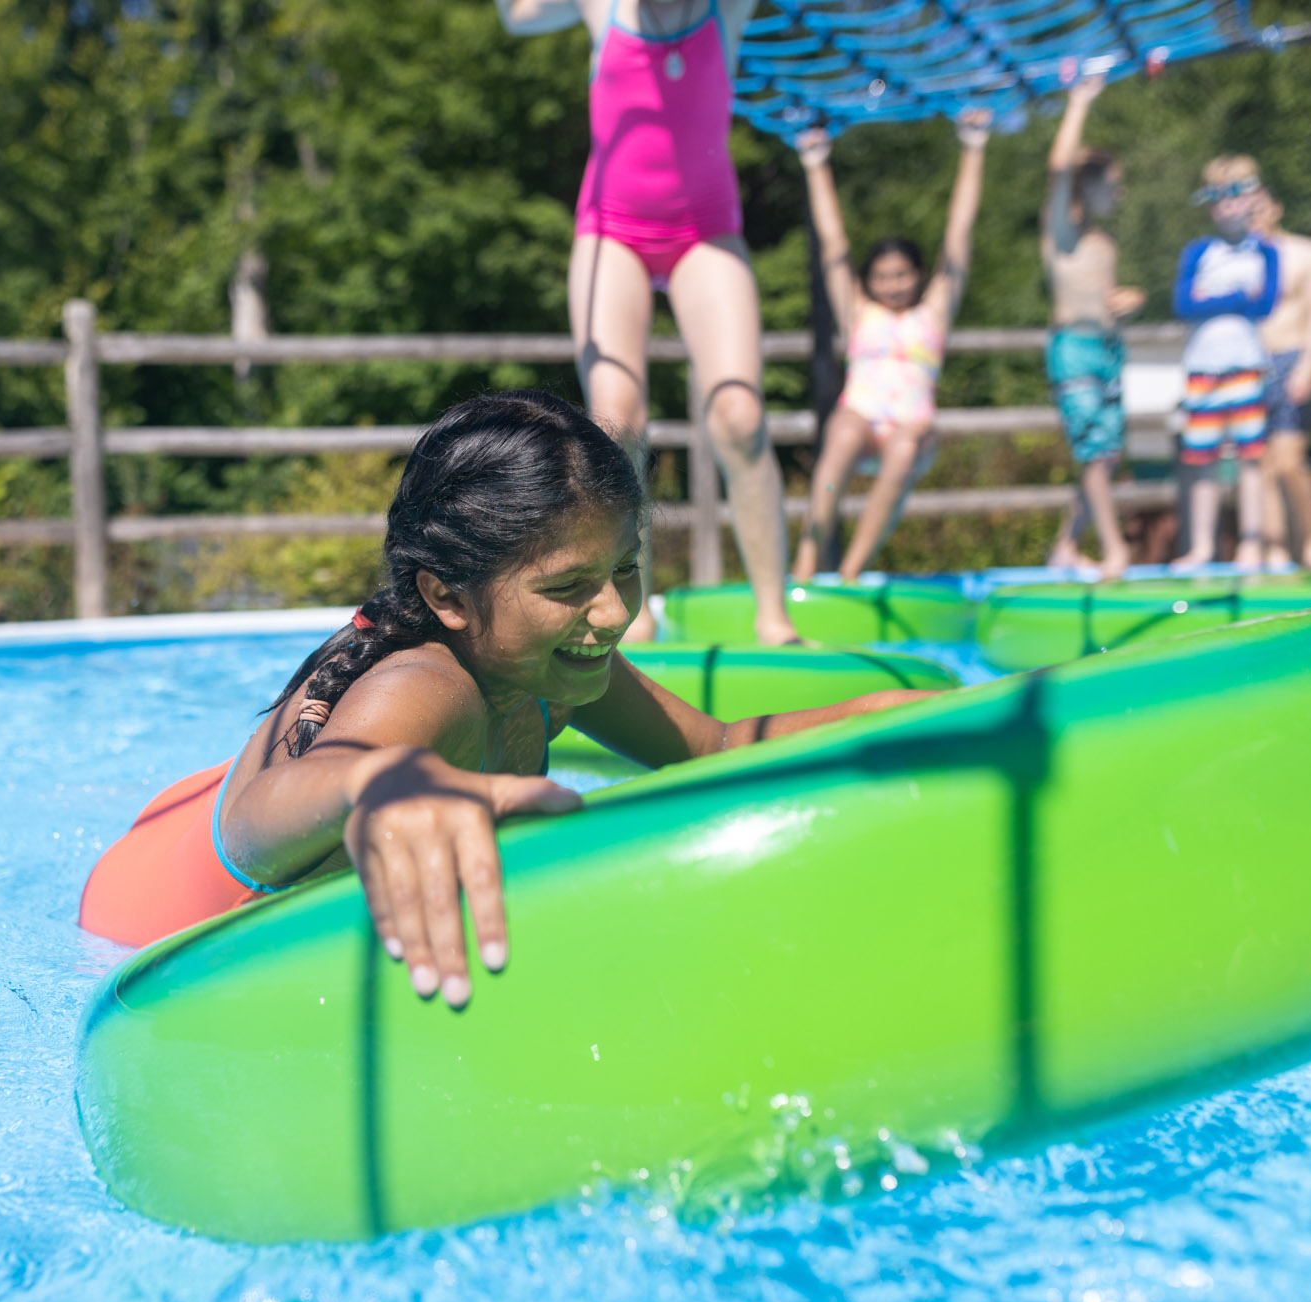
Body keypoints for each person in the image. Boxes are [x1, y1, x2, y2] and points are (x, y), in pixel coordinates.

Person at [77, 392, 931, 1003]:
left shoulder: (542, 663)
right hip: (136, 919)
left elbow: (713, 748)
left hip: (182, 810)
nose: (612, 612)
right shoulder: (425, 688)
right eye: (568, 587)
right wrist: (377, 784)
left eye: (625, 570)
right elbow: (265, 823)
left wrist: (885, 718)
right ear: (448, 597)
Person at [496, 0, 799, 645]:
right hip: (613, 234)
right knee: (617, 420)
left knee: (739, 418)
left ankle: (774, 617)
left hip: (707, 234)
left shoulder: (727, 9)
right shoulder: (601, 7)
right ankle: (636, 611)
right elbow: (517, 17)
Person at [792, 109, 992, 582]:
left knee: (902, 448)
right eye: (882, 276)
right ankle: (805, 560)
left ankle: (853, 569)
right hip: (862, 418)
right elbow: (833, 243)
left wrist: (974, 146)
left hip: (911, 426)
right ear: (869, 281)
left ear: (919, 276)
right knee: (839, 434)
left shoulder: (933, 313)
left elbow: (958, 236)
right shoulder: (860, 312)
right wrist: (815, 161)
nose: (893, 284)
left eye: (902, 274)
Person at [1040, 77, 1144, 578]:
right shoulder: (1062, 232)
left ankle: (1065, 545)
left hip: (1107, 348)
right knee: (1097, 452)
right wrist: (1079, 102)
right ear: (1088, 184)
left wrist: (1129, 300)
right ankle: (1115, 549)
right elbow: (1058, 166)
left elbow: (1108, 297)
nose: (1120, 193)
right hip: (1074, 350)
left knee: (1105, 455)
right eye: (1114, 184)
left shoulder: (1104, 244)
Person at [1171, 155, 1280, 572]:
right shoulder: (1199, 251)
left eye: (1235, 194)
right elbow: (1183, 304)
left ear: (1250, 199)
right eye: (1218, 197)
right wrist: (1237, 296)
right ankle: (1201, 547)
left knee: (1250, 455)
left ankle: (1250, 544)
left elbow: (1266, 302)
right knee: (1203, 457)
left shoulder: (1265, 252)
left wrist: (1213, 300)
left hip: (1246, 364)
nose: (1227, 206)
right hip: (1203, 367)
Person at [1249, 184, 1311, 572]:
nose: (1254, 214)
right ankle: (1276, 546)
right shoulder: (1239, 259)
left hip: (1291, 356)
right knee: (1260, 463)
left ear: (1276, 207)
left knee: (1289, 461)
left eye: (1260, 205)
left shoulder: (1306, 252)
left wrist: (1309, 365)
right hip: (1250, 362)